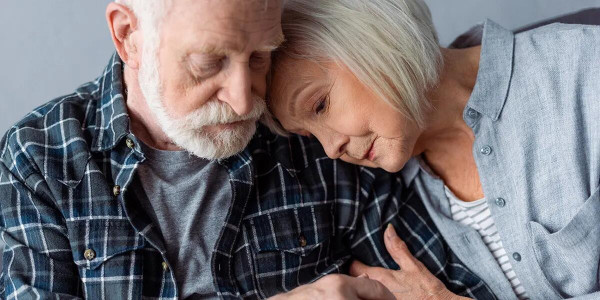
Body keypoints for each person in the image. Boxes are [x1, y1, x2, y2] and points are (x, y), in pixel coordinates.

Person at [0, 0, 495, 299]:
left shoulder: (309, 143)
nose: (244, 100)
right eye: (209, 62)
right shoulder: (41, 160)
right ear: (128, 36)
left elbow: (446, 286)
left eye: (260, 56)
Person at [268, 0, 600, 299]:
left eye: (321, 105)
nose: (330, 148)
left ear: (375, 38)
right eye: (308, 135)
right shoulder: (402, 198)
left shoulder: (585, 69)